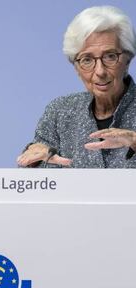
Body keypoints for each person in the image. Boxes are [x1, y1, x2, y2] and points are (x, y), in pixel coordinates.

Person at [17, 6, 136, 168]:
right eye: (87, 60)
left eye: (110, 56)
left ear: (128, 58)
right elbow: (34, 181)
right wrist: (33, 160)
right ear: (76, 67)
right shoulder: (59, 112)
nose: (100, 71)